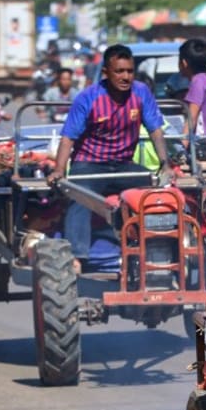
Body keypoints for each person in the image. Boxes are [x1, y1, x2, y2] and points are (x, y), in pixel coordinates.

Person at [47, 44, 172, 274]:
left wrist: (166, 165)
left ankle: (158, 250)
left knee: (156, 194)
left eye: (130, 71)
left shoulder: (141, 92)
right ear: (106, 72)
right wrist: (59, 170)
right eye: (119, 71)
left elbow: (155, 130)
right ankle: (77, 257)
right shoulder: (88, 97)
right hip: (89, 165)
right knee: (79, 195)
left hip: (124, 165)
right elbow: (68, 137)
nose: (126, 77)